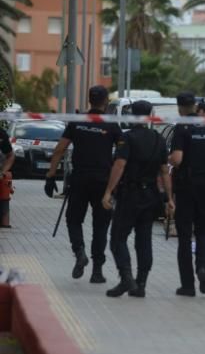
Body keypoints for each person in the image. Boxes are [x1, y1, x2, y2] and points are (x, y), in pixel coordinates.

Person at [44, 85, 122, 283]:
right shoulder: (111, 124)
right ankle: (97, 271)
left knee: (73, 220)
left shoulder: (78, 121)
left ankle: (79, 252)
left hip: (79, 179)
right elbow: (122, 155)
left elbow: (60, 149)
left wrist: (51, 176)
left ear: (89, 100)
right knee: (101, 225)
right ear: (105, 102)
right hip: (103, 182)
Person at [102, 100, 174, 298]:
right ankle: (141, 284)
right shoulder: (158, 139)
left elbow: (119, 166)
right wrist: (169, 198)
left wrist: (108, 191)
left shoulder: (128, 138)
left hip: (130, 196)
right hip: (151, 196)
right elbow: (165, 172)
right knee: (144, 241)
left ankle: (127, 279)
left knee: (118, 238)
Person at [169, 91, 205, 296]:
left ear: (179, 108)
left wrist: (167, 159)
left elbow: (177, 159)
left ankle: (187, 285)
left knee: (185, 236)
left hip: (187, 188)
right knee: (203, 233)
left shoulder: (182, 128)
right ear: (195, 106)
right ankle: (203, 267)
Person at [0, 128, 15, 228]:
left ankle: (4, 221)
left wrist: (3, 172)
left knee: (5, 183)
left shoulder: (1, 134)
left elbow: (10, 155)